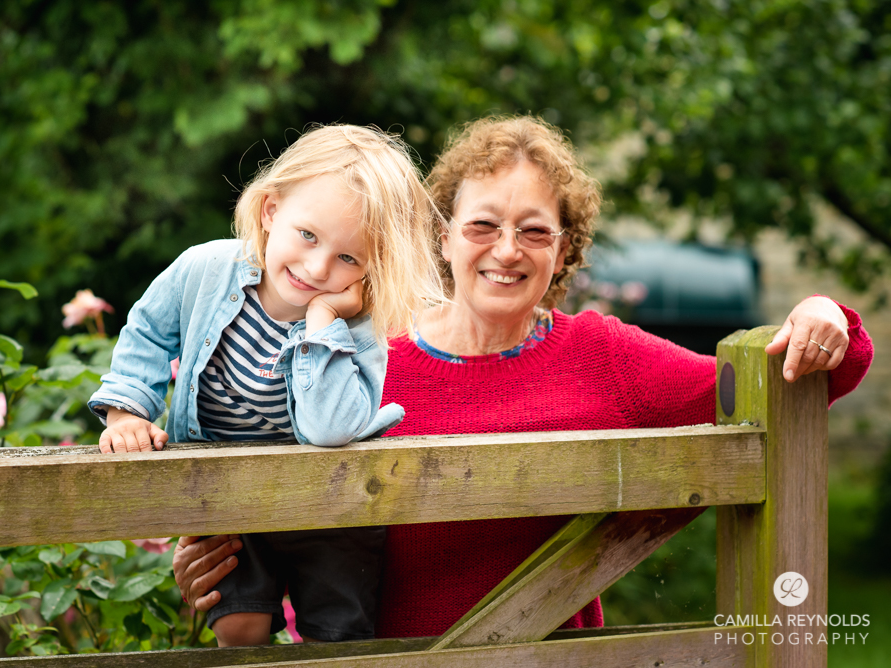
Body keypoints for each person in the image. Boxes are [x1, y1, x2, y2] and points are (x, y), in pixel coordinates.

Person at [172, 116, 874, 638]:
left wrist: (823, 315)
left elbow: (773, 389)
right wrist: (216, 562)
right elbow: (275, 497)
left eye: (535, 231)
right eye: (482, 225)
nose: (507, 251)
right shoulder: (359, 359)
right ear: (442, 235)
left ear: (563, 249)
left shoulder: (604, 355)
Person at [88, 124, 442, 646]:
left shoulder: (356, 329)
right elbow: (147, 329)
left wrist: (323, 320)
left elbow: (328, 429)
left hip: (328, 505)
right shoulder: (205, 269)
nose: (317, 267)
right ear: (271, 211)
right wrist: (126, 413)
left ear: (372, 269)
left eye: (349, 258)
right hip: (228, 492)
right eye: (308, 235)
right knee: (240, 624)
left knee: (339, 639)